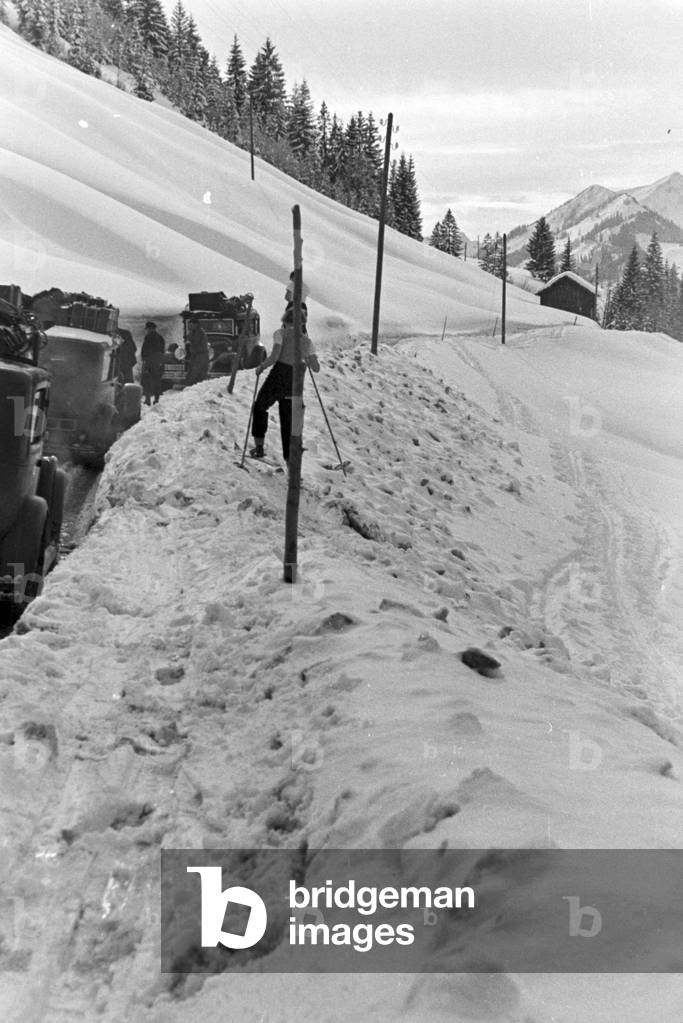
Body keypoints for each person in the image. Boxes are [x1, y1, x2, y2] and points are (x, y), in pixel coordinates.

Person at [250, 283, 319, 463]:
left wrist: (261, 367)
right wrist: (308, 355)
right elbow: (315, 367)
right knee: (289, 423)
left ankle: (259, 447)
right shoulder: (307, 342)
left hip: (278, 376)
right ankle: (291, 462)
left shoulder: (279, 333)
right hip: (295, 380)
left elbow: (274, 357)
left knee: (260, 406)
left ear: (286, 320)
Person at [140, 320, 165, 404]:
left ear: (150, 329)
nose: (147, 330)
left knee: (147, 380)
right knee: (157, 380)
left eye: (147, 329)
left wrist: (143, 358)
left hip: (149, 361)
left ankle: (147, 400)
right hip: (158, 361)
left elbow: (145, 349)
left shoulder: (148, 337)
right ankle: (156, 399)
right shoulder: (160, 337)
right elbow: (162, 350)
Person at [185, 320, 210, 386]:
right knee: (192, 371)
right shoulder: (194, 331)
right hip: (196, 354)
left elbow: (195, 341)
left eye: (191, 325)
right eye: (189, 325)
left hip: (201, 355)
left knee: (196, 372)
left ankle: (193, 387)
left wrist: (189, 337)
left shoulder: (199, 332)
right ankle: (191, 387)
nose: (189, 326)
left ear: (196, 324)